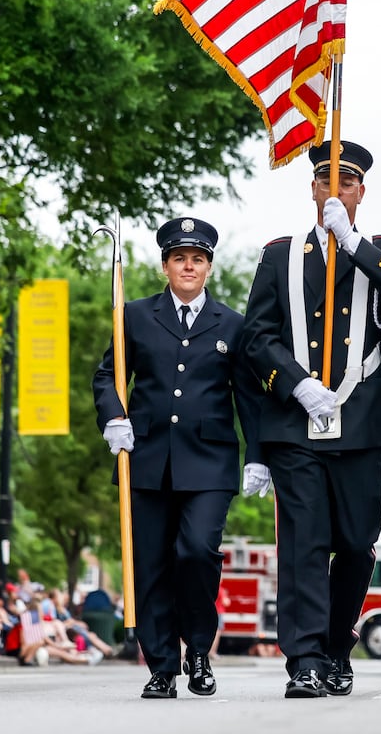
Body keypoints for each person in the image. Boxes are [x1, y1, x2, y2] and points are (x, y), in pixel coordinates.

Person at [240, 141, 381, 699]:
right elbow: (256, 336)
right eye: (326, 182)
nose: (335, 191)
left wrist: (351, 241)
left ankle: (337, 643)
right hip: (296, 422)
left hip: (362, 422)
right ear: (312, 189)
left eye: (347, 183)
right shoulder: (280, 255)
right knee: (304, 541)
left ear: (361, 192)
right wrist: (294, 381)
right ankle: (306, 659)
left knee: (357, 541)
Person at [92, 217, 265, 699]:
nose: (188, 266)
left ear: (209, 267)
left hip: (209, 463)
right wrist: (113, 418)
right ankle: (163, 667)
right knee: (151, 565)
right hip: (145, 457)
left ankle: (199, 651)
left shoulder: (232, 323)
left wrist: (258, 455)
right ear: (165, 265)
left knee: (195, 553)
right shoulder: (134, 315)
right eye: (179, 258)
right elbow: (108, 377)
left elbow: (248, 396)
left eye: (198, 259)